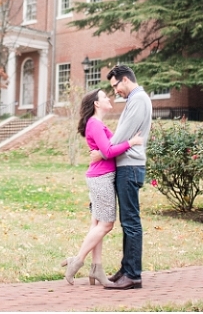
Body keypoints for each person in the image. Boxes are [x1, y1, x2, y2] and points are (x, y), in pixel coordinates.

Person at [60, 88, 143, 286]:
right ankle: (77, 260)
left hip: (101, 175)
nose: (109, 98)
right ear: (97, 103)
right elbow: (107, 150)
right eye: (105, 96)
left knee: (97, 225)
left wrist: (111, 149)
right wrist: (132, 142)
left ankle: (97, 268)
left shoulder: (96, 123)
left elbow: (108, 148)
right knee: (106, 224)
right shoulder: (94, 124)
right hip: (101, 177)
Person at [88, 65, 152, 290]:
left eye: (116, 86)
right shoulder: (135, 100)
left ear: (125, 80)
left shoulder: (139, 100)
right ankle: (126, 269)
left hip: (130, 167)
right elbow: (119, 135)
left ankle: (133, 274)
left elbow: (119, 137)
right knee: (128, 221)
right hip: (127, 166)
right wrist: (108, 147)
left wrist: (103, 150)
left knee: (131, 221)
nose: (115, 91)